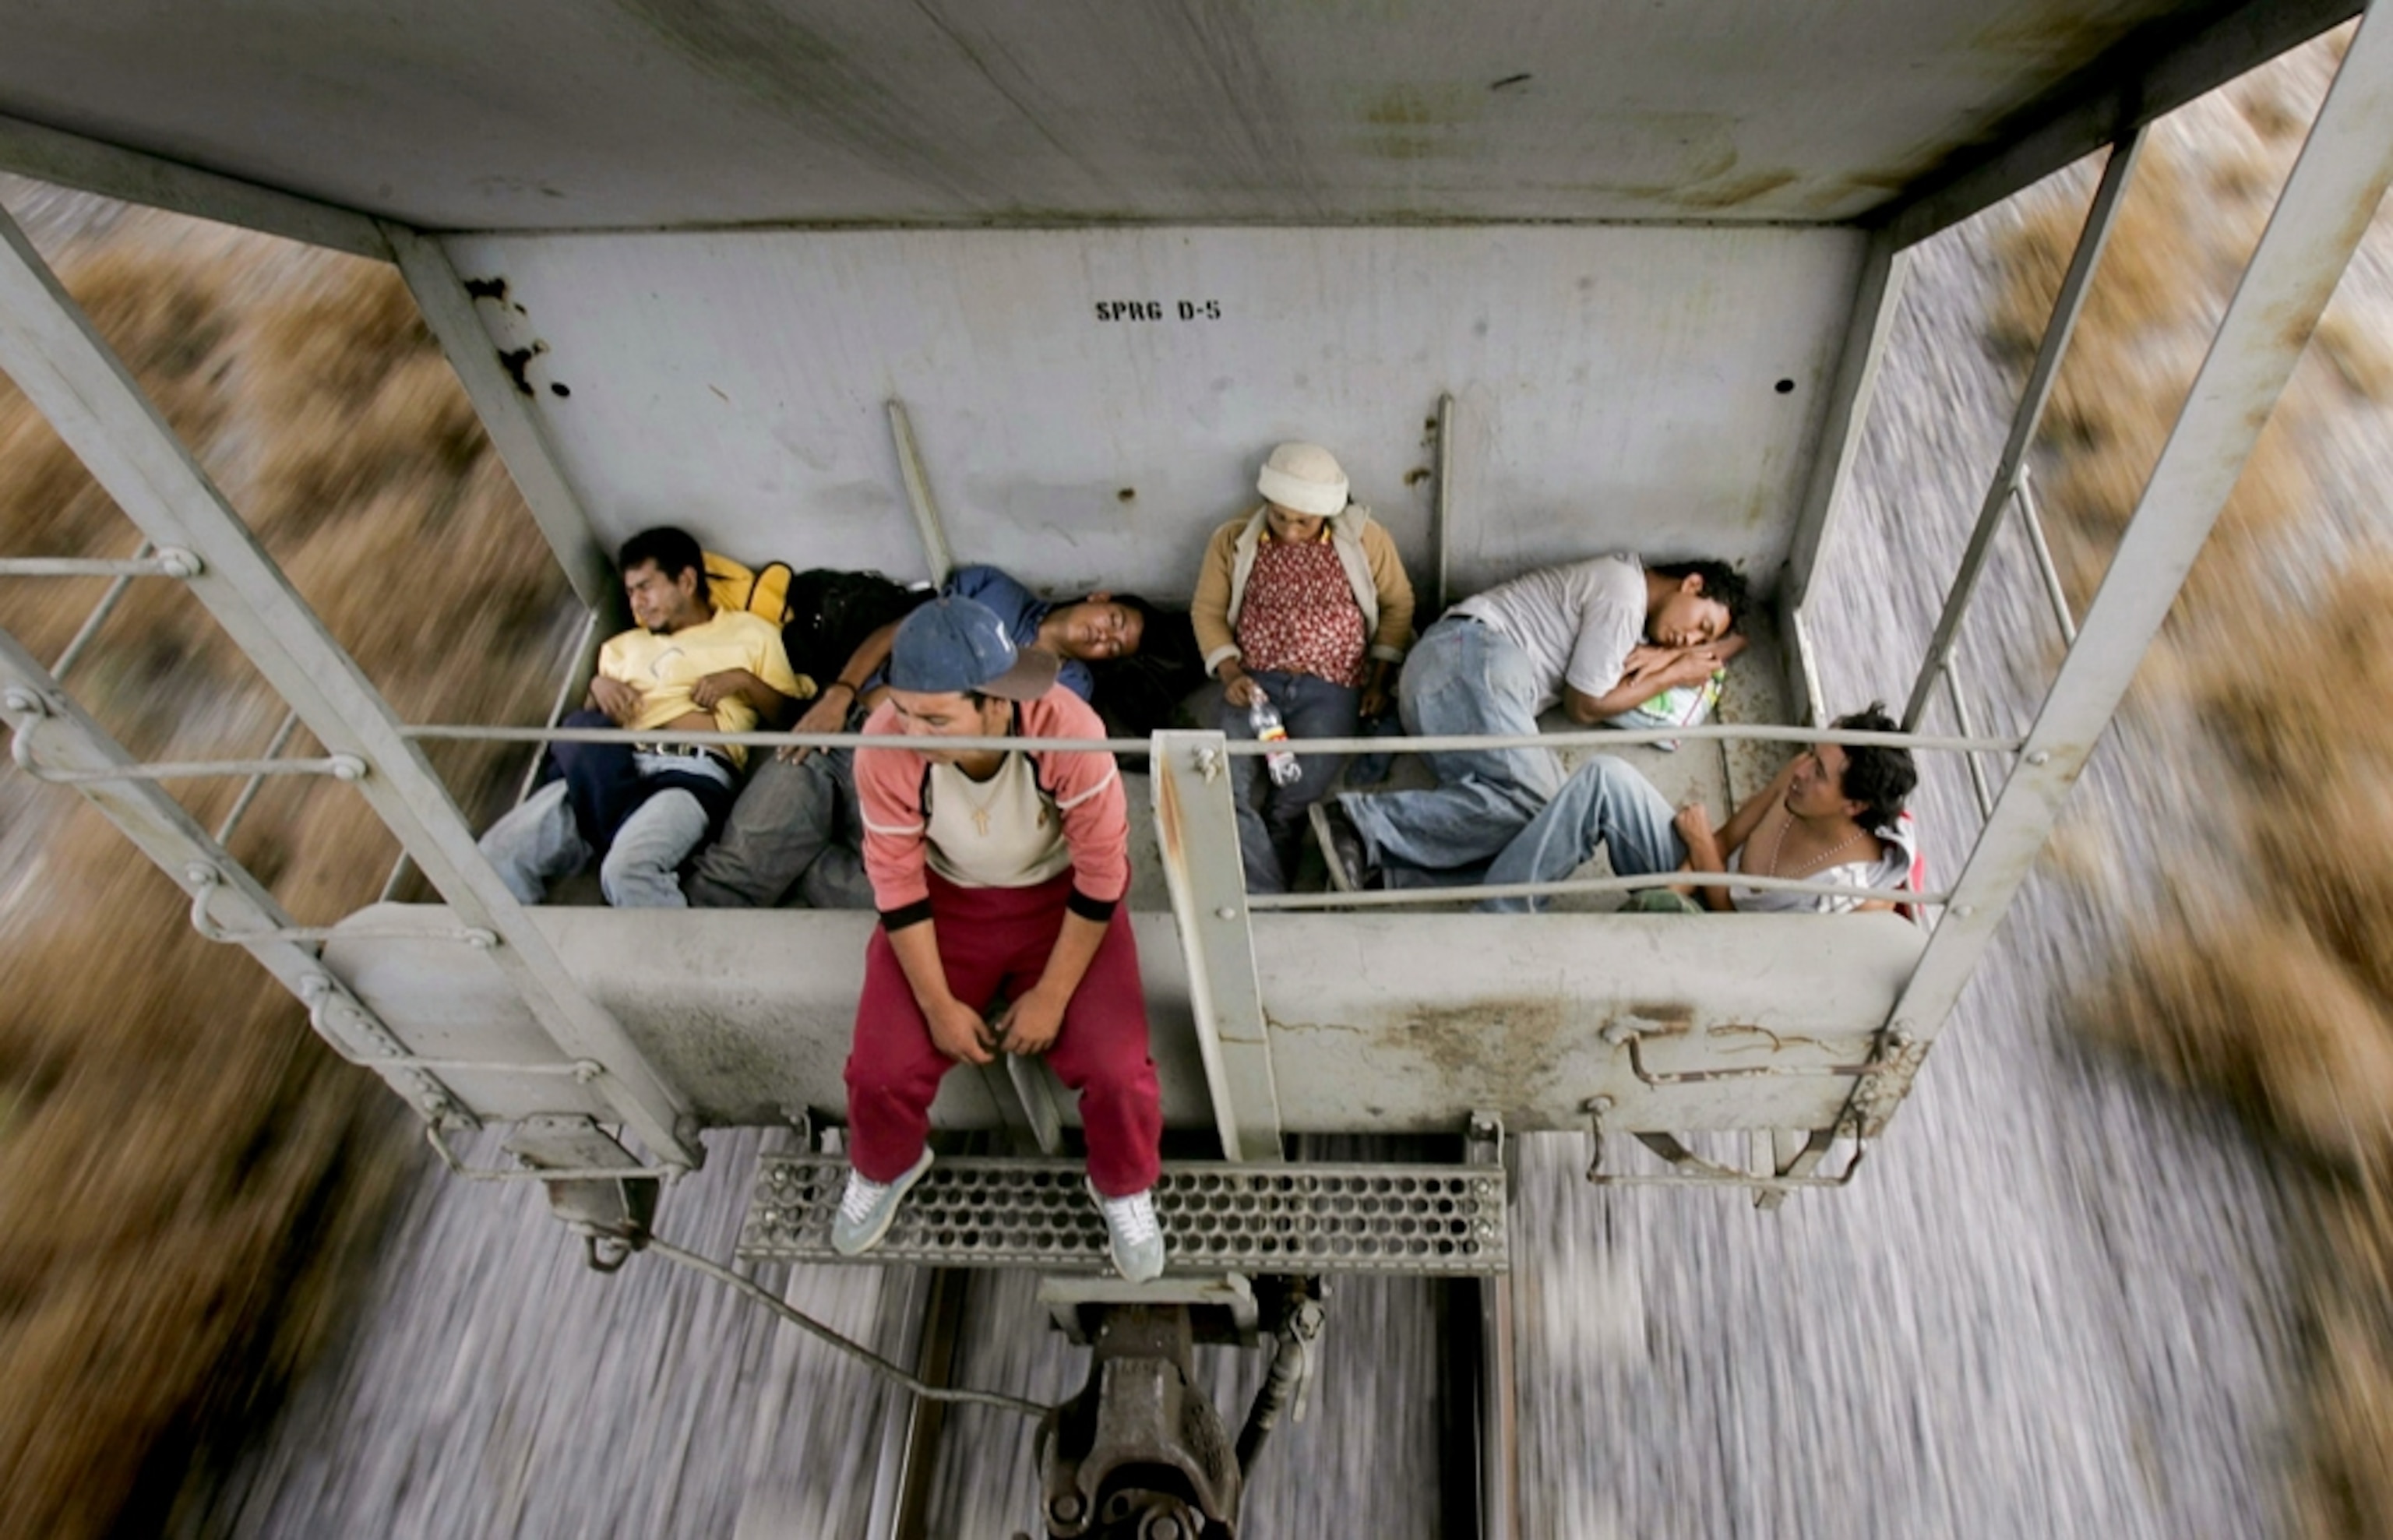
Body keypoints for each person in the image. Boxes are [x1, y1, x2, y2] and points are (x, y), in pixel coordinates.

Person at [829, 597, 1166, 1282]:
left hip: (1064, 902)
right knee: (881, 1070)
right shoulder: (887, 746)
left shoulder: (1068, 730)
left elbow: (1103, 873)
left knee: (1116, 1069)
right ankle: (886, 1165)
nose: (912, 732)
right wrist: (937, 1008)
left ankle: (1123, 1185)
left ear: (993, 703)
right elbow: (895, 882)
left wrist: (1051, 996)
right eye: (906, 711)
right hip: (947, 902)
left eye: (936, 719)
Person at [685, 564, 1161, 909]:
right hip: (841, 738)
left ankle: (796, 871)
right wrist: (839, 696)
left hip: (922, 777)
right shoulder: (996, 592)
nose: (1104, 637)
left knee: (906, 900)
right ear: (1101, 597)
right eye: (1114, 622)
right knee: (734, 875)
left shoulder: (1068, 690)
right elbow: (900, 632)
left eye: (1114, 648)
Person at [1313, 552, 1750, 890]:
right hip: (1471, 655)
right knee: (1548, 804)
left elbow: (1736, 643)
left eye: (1700, 640)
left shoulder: (1635, 611)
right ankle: (1356, 824)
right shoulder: (1624, 593)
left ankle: (1380, 872)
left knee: (1542, 835)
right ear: (1692, 583)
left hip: (1446, 692)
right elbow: (1586, 704)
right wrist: (1673, 673)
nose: (1692, 640)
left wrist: (1672, 653)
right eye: (1700, 624)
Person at [479, 526, 802, 907]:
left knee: (626, 871)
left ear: (685, 581)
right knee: (495, 856)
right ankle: (526, 961)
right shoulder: (619, 647)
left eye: (646, 587)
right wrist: (597, 688)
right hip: (608, 770)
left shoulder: (751, 634)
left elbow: (790, 717)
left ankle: (676, 964)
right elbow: (585, 731)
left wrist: (742, 680)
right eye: (630, 593)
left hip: (689, 774)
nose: (637, 603)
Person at [1191, 442, 1415, 890]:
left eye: (1303, 521)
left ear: (1327, 514)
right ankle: (1271, 898)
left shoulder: (1366, 539)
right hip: (1255, 681)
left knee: (1293, 803)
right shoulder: (1233, 541)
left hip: (1332, 687)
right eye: (1279, 517)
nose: (1291, 531)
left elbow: (1398, 605)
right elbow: (1207, 611)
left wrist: (1378, 679)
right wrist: (1232, 673)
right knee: (1220, 787)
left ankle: (1268, 897)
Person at [1475, 704, 1918, 913]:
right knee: (1606, 778)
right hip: (1707, 879)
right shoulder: (1799, 777)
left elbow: (1747, 960)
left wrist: (1703, 855)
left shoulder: (1852, 897)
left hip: (1721, 951)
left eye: (1820, 771)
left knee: (1659, 919)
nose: (1802, 771)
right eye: (1811, 754)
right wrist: (1673, 888)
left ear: (1855, 805)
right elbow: (1723, 839)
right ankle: (1495, 917)